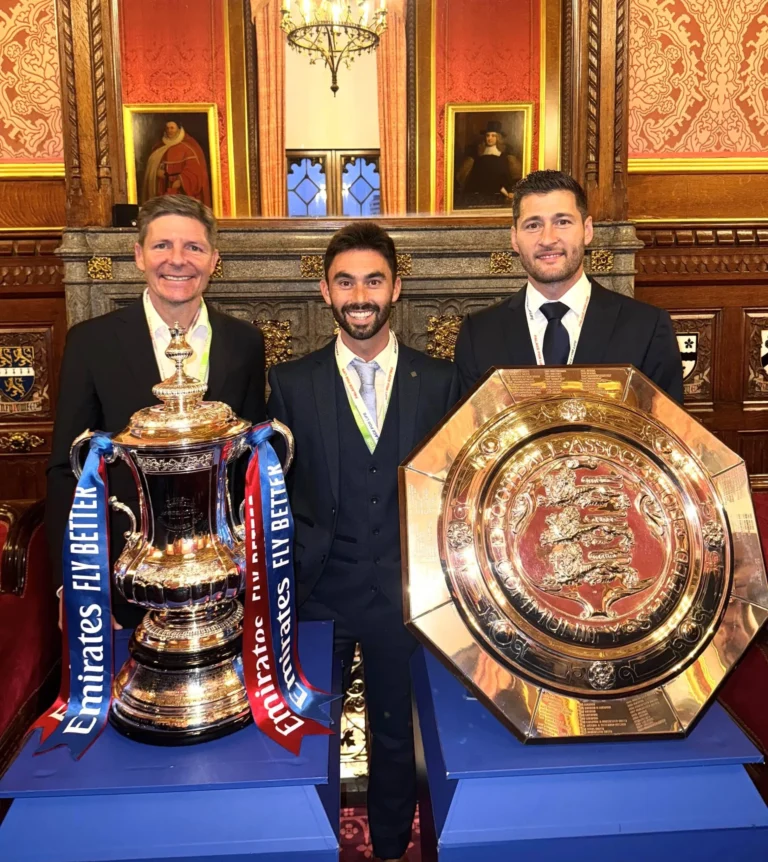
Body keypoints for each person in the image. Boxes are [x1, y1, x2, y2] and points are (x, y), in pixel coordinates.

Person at [267, 222, 459, 862]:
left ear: (396, 288)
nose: (359, 294)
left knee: (394, 736)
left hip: (404, 593)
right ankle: (312, 844)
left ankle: (385, 847)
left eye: (373, 280)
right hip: (319, 589)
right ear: (324, 291)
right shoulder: (291, 384)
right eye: (345, 281)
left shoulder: (439, 381)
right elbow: (278, 489)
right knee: (312, 732)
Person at [46, 194, 267, 627]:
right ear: (139, 256)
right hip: (122, 574)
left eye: (194, 248)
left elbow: (251, 465)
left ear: (214, 260)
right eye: (163, 245)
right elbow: (64, 469)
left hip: (223, 575)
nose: (178, 261)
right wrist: (72, 584)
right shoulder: (91, 343)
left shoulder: (244, 342)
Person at [454, 170, 684, 402]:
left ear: (587, 230)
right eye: (533, 225)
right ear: (515, 238)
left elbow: (664, 434)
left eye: (562, 222)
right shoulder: (479, 334)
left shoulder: (646, 328)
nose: (547, 239)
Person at [141, 120, 212, 206]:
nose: (169, 130)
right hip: (162, 189)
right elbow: (153, 167)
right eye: (167, 128)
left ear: (178, 129)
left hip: (181, 191)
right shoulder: (159, 147)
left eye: (172, 128)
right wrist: (156, 171)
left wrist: (181, 181)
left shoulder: (188, 148)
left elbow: (195, 171)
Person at [456, 120, 522, 209]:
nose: (489, 138)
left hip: (500, 197)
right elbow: (463, 175)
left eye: (493, 136)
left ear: (498, 137)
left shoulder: (507, 156)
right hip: (478, 196)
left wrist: (511, 192)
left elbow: (516, 177)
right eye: (487, 135)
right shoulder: (476, 154)